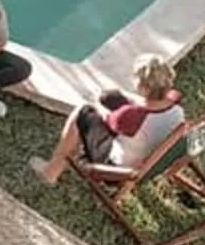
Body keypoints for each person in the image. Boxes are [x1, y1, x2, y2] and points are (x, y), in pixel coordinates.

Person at [32, 53, 186, 188]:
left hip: (116, 172)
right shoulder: (177, 109)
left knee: (83, 111)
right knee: (112, 97)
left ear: (144, 88)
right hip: (144, 162)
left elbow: (106, 117)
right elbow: (144, 105)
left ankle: (51, 171)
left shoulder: (133, 116)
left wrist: (96, 103)